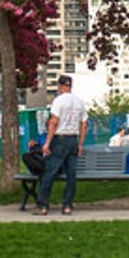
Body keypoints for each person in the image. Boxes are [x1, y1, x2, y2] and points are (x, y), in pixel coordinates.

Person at [34, 73, 90, 216]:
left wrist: (47, 143)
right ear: (70, 86)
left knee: (50, 173)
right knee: (71, 175)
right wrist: (80, 143)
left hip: (60, 139)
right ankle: (67, 205)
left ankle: (43, 205)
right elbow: (84, 124)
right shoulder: (79, 102)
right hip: (73, 139)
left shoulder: (58, 101)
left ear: (60, 86)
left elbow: (53, 122)